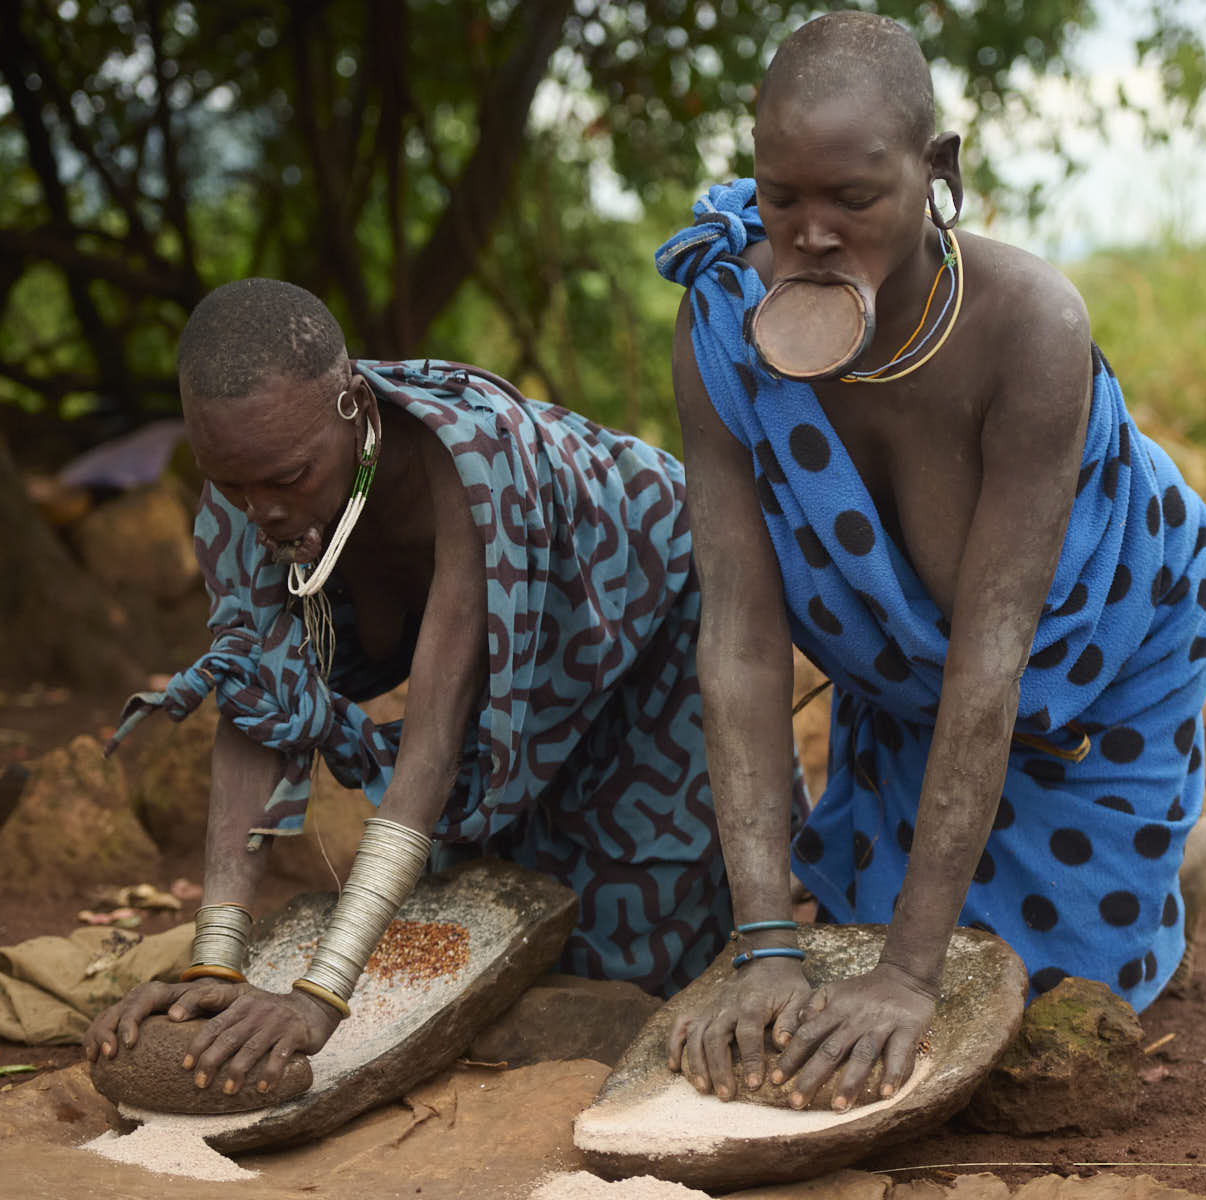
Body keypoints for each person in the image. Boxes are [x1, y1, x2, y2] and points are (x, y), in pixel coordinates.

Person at [658, 11, 1206, 1113]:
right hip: (908, 668)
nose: (812, 235)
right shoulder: (723, 325)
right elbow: (736, 634)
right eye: (783, 199)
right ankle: (983, 903)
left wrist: (911, 978)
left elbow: (992, 661)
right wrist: (765, 943)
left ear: (938, 173)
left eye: (854, 200)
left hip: (1101, 640)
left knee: (1056, 991)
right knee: (846, 951)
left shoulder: (1030, 327)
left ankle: (1174, 875)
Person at [84, 279, 795, 1099]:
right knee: (488, 922)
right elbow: (255, 702)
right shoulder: (252, 484)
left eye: (287, 478)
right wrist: (219, 960)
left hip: (656, 614)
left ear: (352, 406)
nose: (262, 512)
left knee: (634, 947)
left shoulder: (474, 470)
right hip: (513, 660)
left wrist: (319, 1000)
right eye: (233, 485)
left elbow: (433, 744)